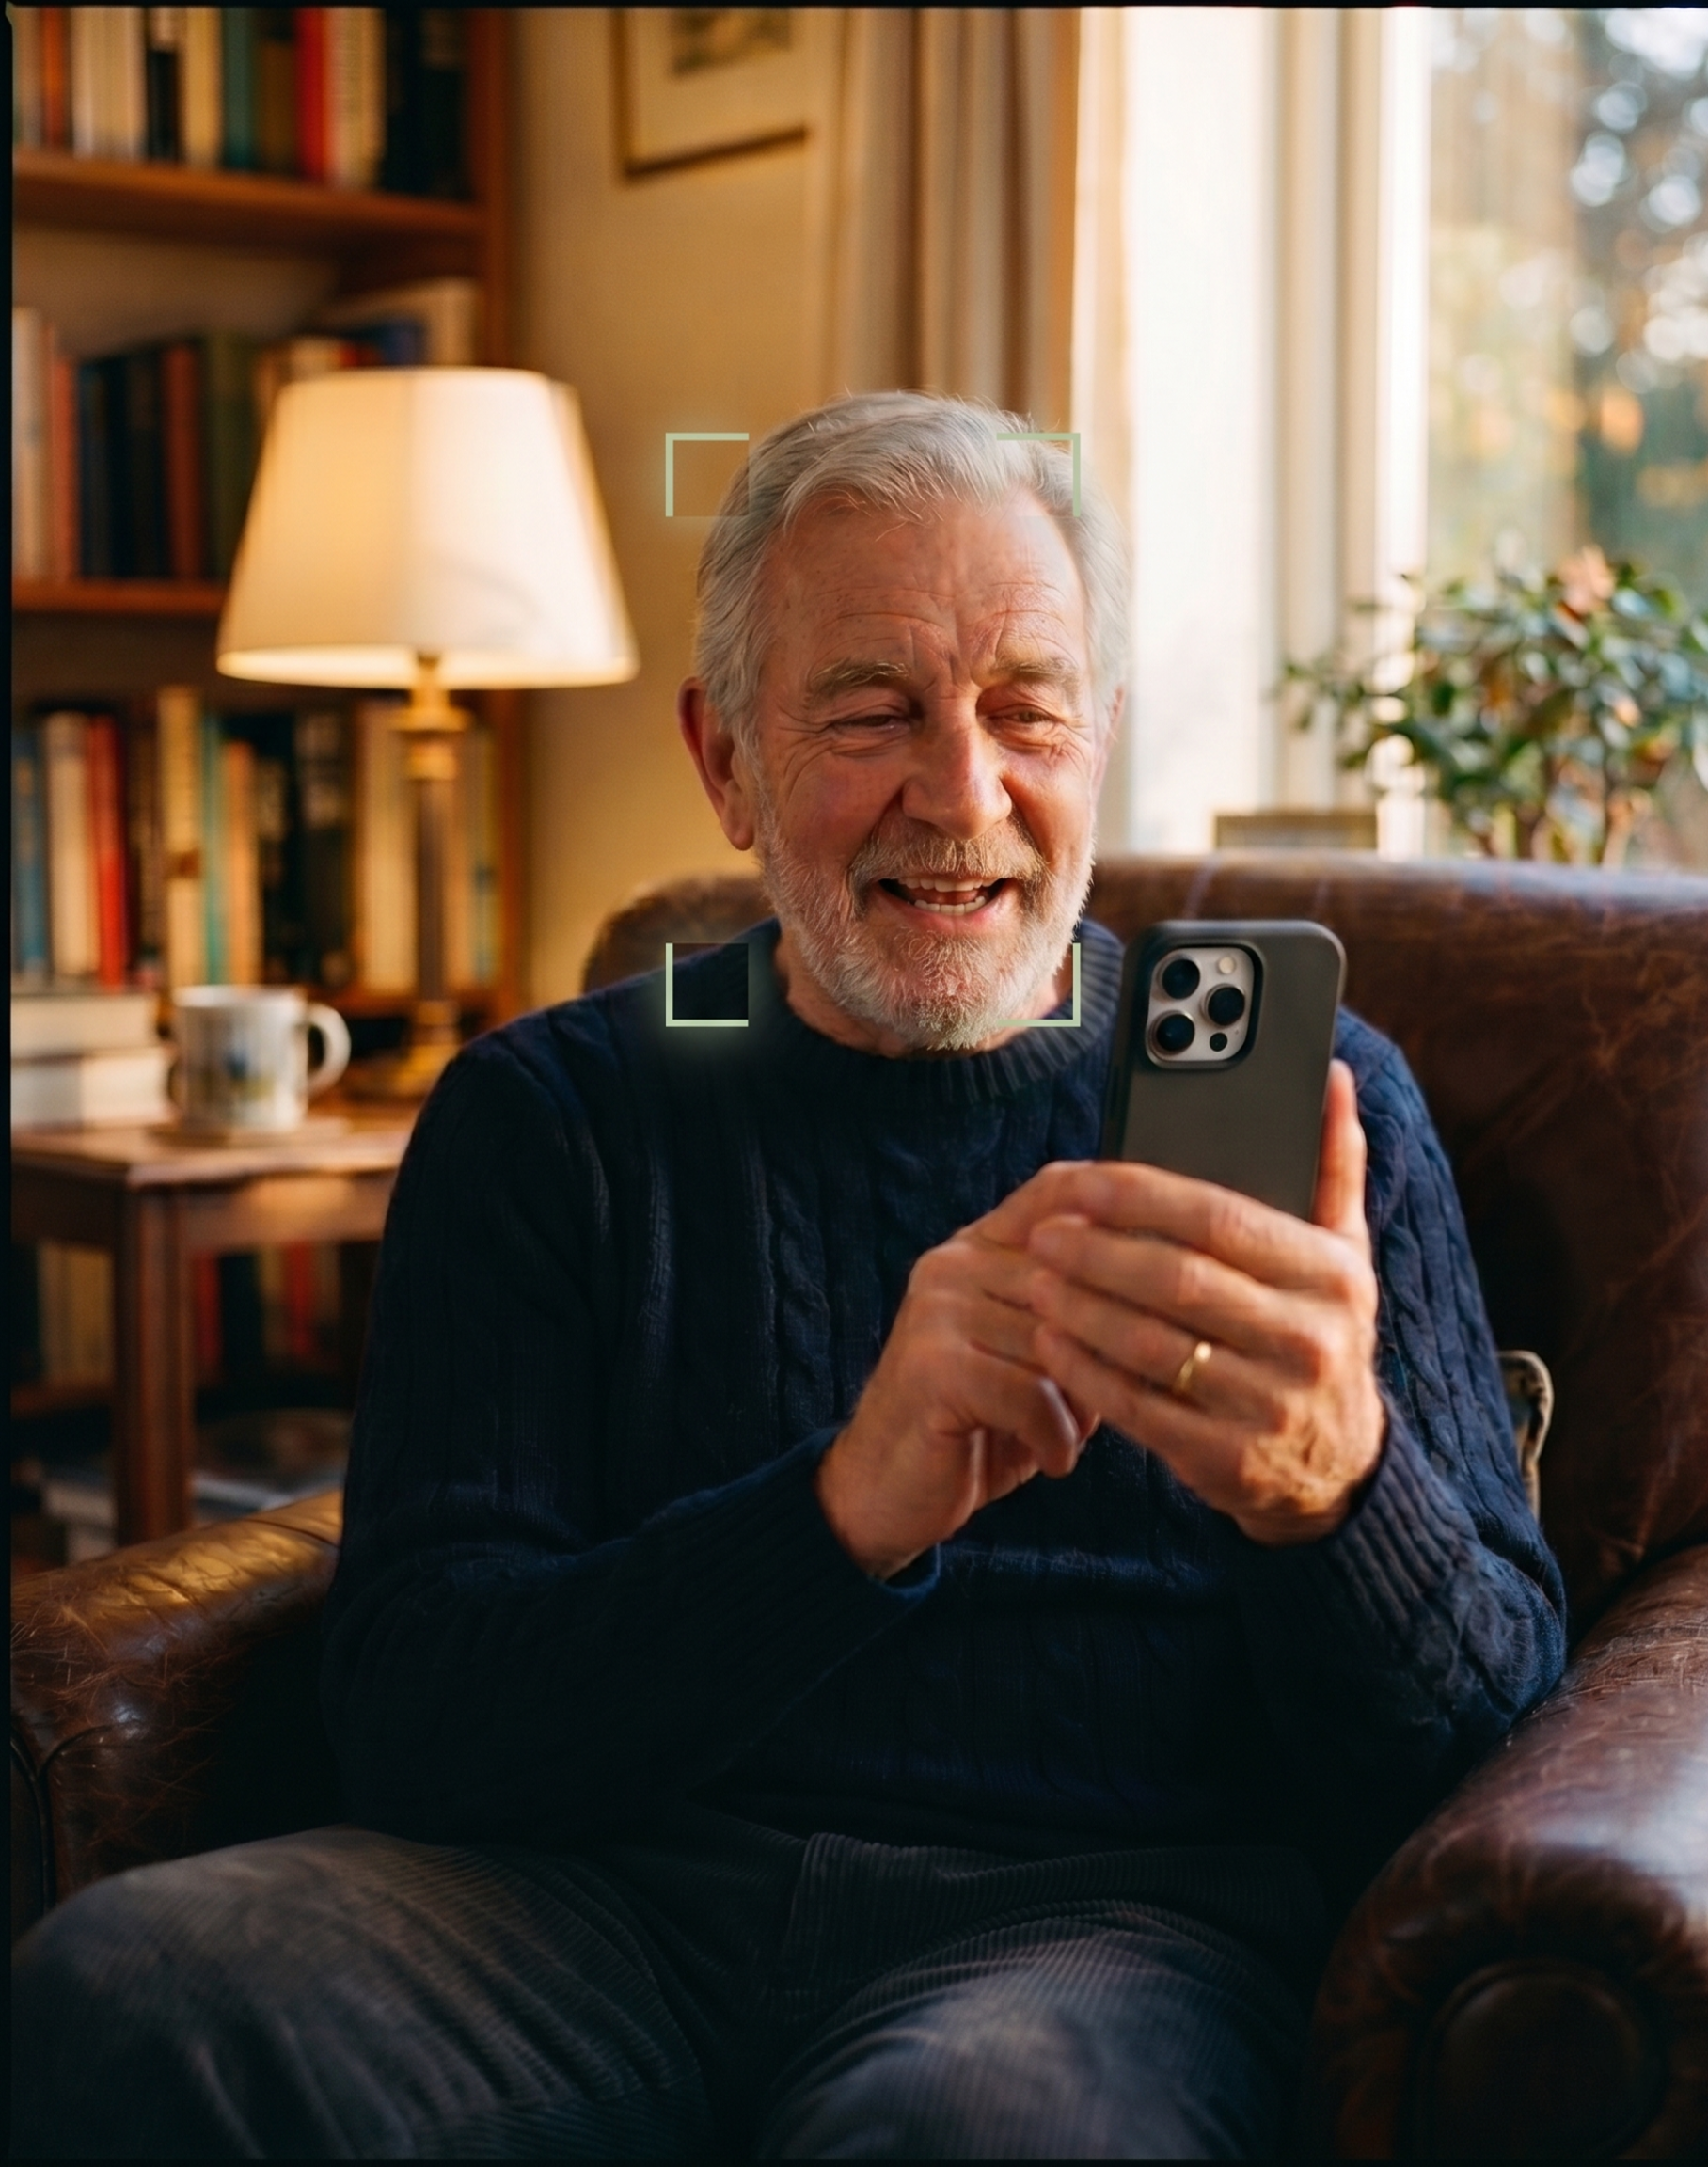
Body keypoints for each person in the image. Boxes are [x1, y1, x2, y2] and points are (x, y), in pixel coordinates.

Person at [12, 393, 1565, 2160]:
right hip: (593, 1908)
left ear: (1100, 739)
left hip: (1098, 1929)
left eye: (1024, 711)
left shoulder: (1317, 1101)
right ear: (726, 759)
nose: (961, 795)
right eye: (870, 713)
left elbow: (1491, 1742)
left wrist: (1334, 1498)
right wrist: (841, 1512)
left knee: (974, 2135)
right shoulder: (561, 1108)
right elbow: (419, 1717)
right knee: (130, 1986)